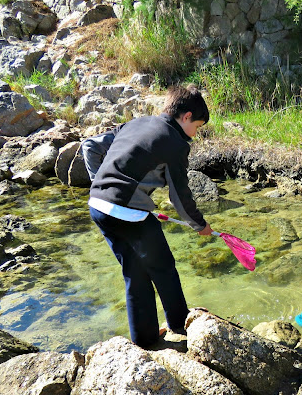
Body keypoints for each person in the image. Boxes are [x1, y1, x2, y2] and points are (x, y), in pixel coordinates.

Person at [82, 84, 213, 348]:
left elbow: (89, 146)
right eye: (197, 127)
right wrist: (199, 224)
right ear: (186, 116)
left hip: (97, 206)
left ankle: (146, 341)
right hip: (125, 212)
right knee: (163, 267)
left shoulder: (135, 123)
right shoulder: (176, 143)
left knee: (135, 272)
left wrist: (101, 184)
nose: (195, 134)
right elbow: (180, 196)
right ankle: (181, 326)